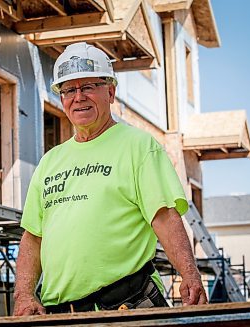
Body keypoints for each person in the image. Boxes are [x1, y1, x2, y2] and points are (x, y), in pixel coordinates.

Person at [13, 42, 207, 316]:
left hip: (128, 304)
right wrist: (23, 294)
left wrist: (190, 274)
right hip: (61, 313)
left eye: (89, 87)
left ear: (111, 92)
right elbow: (33, 237)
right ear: (62, 98)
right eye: (69, 90)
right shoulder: (50, 162)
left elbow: (164, 216)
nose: (78, 97)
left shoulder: (138, 147)